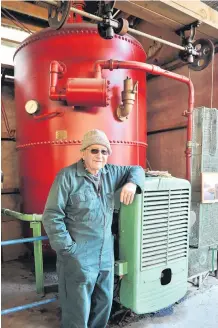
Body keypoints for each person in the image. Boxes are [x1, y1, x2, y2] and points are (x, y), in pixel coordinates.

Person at [42, 129, 145, 328]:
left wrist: (132, 184)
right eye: (94, 151)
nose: (100, 155)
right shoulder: (67, 177)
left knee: (103, 303)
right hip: (78, 257)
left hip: (105, 256)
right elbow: (52, 215)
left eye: (104, 151)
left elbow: (137, 169)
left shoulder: (110, 172)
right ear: (83, 152)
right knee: (77, 310)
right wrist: (69, 250)